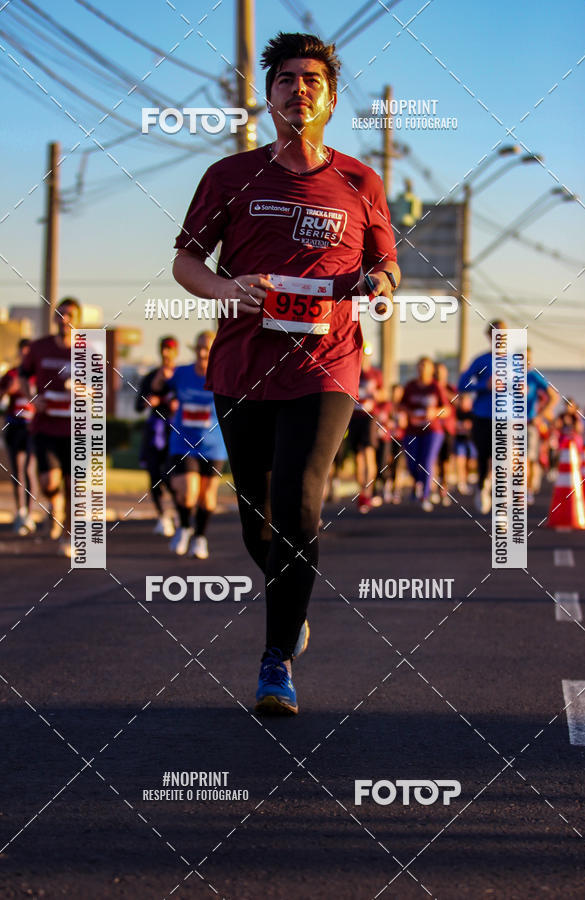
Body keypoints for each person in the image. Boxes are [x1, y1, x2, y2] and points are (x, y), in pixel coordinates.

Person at [172, 31, 399, 715]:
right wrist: (225, 289)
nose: (298, 89)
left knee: (301, 501)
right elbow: (186, 261)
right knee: (257, 521)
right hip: (243, 365)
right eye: (285, 80)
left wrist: (382, 286)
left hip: (327, 365)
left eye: (312, 80)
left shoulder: (361, 181)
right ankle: (290, 604)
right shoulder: (228, 175)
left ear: (330, 99)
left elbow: (386, 263)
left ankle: (276, 661)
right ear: (268, 97)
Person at [152, 331, 227, 559]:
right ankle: (184, 527)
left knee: (207, 496)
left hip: (213, 445)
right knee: (188, 493)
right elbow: (156, 389)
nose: (202, 353)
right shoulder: (182, 372)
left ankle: (200, 538)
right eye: (200, 348)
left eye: (207, 349)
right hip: (183, 442)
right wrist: (161, 376)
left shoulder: (223, 374)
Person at [20, 298, 81, 556]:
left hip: (76, 429)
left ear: (77, 319)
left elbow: (100, 388)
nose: (64, 319)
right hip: (45, 426)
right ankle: (54, 504)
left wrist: (81, 390)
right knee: (48, 482)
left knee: (72, 485)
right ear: (55, 318)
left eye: (70, 315)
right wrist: (33, 398)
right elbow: (23, 375)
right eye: (60, 314)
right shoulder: (39, 347)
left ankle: (68, 536)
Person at [458, 318, 506, 515]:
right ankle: (481, 486)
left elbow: (526, 388)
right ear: (489, 336)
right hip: (482, 415)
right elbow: (462, 385)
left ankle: (499, 494)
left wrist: (523, 391)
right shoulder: (481, 361)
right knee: (484, 455)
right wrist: (483, 386)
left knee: (502, 457)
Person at [136, 336, 179, 537]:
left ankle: (180, 512)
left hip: (175, 432)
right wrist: (148, 401)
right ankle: (162, 516)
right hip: (155, 431)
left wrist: (177, 405)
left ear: (176, 352)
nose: (166, 352)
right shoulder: (150, 376)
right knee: (153, 474)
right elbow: (138, 406)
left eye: (170, 349)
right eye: (163, 348)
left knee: (172, 476)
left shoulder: (181, 376)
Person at [399, 357, 448, 512]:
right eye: (420, 366)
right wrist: (408, 413)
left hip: (432, 430)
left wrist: (435, 412)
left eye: (426, 367)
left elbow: (447, 409)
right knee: (412, 464)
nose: (422, 369)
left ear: (431, 369)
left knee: (427, 462)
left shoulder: (436, 387)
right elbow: (400, 405)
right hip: (412, 430)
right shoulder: (410, 386)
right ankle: (419, 483)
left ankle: (425, 496)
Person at [0, 339, 37, 534]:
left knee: (30, 469)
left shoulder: (39, 375)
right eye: (23, 353)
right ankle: (20, 512)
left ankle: (29, 513)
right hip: (14, 425)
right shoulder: (11, 375)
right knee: (17, 471)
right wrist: (8, 390)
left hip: (33, 427)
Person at [347, 343, 384, 513]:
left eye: (366, 354)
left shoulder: (376, 374)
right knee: (358, 457)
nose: (364, 358)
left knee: (369, 453)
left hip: (369, 417)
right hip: (353, 416)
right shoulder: (352, 372)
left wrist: (376, 394)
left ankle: (368, 492)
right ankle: (362, 491)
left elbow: (383, 394)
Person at [525, 347, 557, 504]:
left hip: (529, 424)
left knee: (528, 458)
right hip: (509, 424)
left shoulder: (533, 376)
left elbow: (553, 396)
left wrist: (540, 416)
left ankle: (527, 490)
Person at [434, 362, 457, 506]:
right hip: (433, 428)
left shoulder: (450, 388)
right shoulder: (431, 387)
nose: (439, 374)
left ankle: (444, 488)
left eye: (442, 372)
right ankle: (432, 488)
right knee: (432, 459)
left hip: (448, 428)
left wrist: (442, 390)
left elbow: (458, 402)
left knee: (445, 461)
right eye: (437, 372)